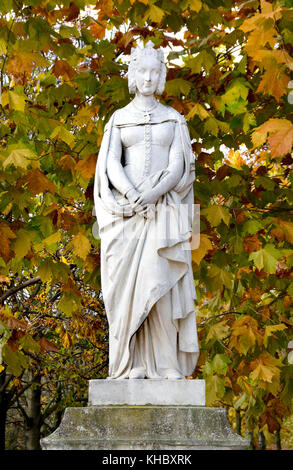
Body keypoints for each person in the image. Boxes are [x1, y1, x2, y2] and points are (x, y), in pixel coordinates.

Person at [94, 40, 199, 379]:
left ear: (162, 75)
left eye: (155, 71)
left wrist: (151, 194)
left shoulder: (174, 120)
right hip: (125, 214)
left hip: (163, 210)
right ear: (133, 74)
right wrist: (132, 194)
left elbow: (177, 166)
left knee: (162, 281)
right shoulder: (119, 119)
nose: (149, 77)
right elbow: (110, 163)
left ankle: (167, 363)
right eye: (142, 70)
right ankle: (130, 362)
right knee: (126, 291)